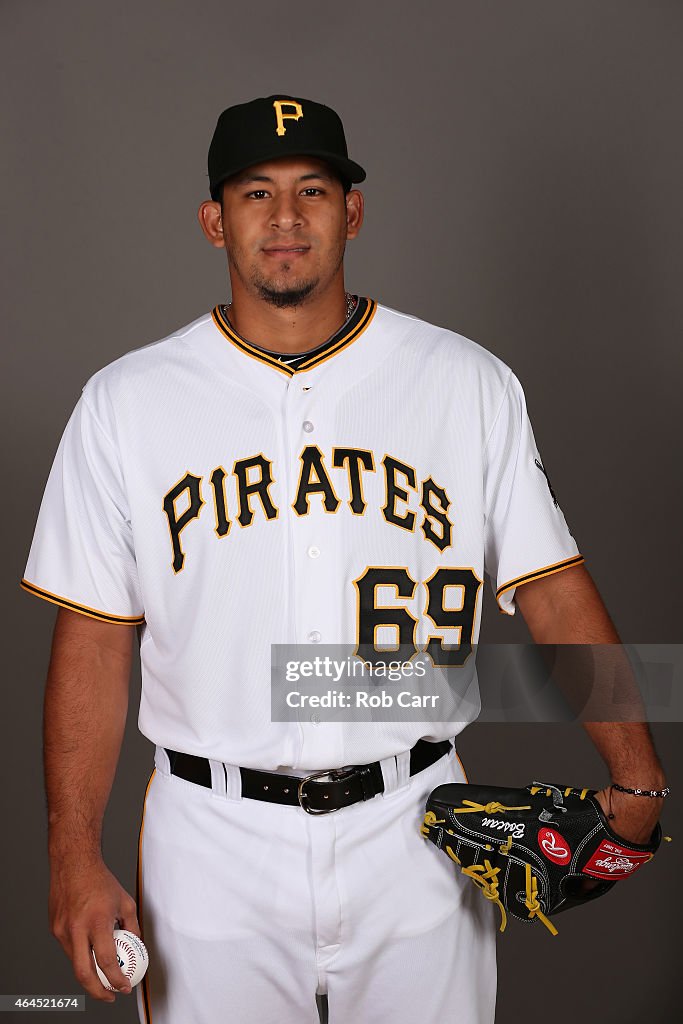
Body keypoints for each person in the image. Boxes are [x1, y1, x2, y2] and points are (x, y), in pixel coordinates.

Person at [22, 94, 666, 1024]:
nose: (285, 218)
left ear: (351, 213)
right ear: (214, 221)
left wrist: (637, 775)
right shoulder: (126, 403)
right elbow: (92, 637)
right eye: (255, 193)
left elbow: (552, 589)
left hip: (416, 833)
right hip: (211, 845)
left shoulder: (463, 382)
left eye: (312, 190)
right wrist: (71, 854)